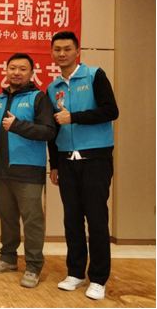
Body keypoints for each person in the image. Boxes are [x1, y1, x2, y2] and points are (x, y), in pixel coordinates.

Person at [47, 31, 119, 300]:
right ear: (52, 53)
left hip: (95, 159)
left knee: (97, 219)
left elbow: (111, 110)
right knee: (72, 219)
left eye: (67, 48)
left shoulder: (94, 75)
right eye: (57, 49)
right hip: (66, 161)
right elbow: (53, 130)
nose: (62, 53)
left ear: (77, 51)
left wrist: (74, 117)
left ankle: (98, 278)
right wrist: (54, 164)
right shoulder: (53, 87)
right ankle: (76, 272)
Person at [0, 53, 56, 288]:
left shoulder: (39, 98)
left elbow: (48, 131)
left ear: (32, 73)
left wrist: (18, 126)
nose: (17, 72)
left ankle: (34, 266)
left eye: (23, 69)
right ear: (6, 70)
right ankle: (8, 258)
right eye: (13, 68)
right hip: (2, 170)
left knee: (32, 221)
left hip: (29, 171)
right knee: (6, 217)